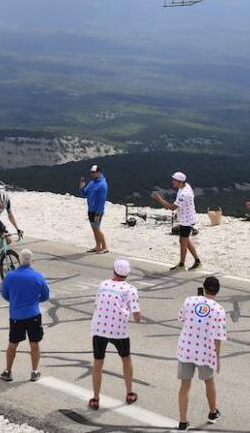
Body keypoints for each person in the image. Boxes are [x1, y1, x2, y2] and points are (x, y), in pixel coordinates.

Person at [88, 258, 142, 409]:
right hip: (119, 331)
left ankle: (96, 398)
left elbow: (97, 304)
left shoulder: (103, 284)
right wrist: (135, 317)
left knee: (98, 362)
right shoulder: (130, 289)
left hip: (99, 328)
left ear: (114, 270)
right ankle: (130, 393)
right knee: (126, 359)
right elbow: (137, 316)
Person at [175, 276, 226, 430]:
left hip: (186, 349)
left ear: (203, 288)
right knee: (209, 381)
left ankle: (183, 421)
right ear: (217, 291)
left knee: (185, 385)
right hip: (205, 351)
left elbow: (180, 318)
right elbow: (218, 337)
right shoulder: (219, 310)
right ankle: (212, 412)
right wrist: (217, 358)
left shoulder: (189, 300)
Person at [0, 249, 49, 382]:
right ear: (31, 261)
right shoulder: (38, 276)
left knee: (13, 343)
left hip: (16, 316)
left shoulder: (10, 276)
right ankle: (34, 371)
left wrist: (15, 300)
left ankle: (8, 371)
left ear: (19, 260)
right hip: (33, 315)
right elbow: (45, 295)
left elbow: (4, 294)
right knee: (34, 343)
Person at [152, 172, 201, 271]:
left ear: (180, 182)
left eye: (174, 180)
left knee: (183, 241)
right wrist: (178, 214)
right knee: (185, 240)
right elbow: (181, 206)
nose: (172, 182)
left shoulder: (184, 194)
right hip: (187, 218)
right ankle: (197, 261)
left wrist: (159, 199)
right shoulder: (185, 186)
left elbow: (171, 207)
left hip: (187, 220)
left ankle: (182, 265)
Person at [79, 164, 109, 254]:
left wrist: (98, 213)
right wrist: (81, 187)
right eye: (91, 172)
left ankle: (104, 247)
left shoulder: (102, 184)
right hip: (90, 209)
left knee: (97, 228)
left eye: (93, 172)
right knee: (94, 228)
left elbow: (102, 200)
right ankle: (97, 246)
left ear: (99, 172)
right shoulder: (92, 183)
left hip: (97, 211)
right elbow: (84, 194)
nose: (92, 174)